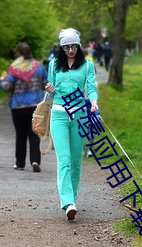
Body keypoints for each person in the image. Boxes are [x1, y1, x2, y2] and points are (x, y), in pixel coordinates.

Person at [45, 28, 98, 220]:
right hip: (58, 115)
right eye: (66, 47)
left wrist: (93, 101)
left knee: (76, 161)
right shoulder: (53, 65)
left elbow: (90, 87)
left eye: (74, 46)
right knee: (64, 160)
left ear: (79, 45)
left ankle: (72, 198)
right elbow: (51, 93)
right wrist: (50, 89)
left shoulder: (87, 65)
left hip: (80, 116)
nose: (70, 50)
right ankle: (67, 202)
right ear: (61, 47)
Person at [0, 42, 48, 172]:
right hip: (35, 106)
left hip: (18, 106)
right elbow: (46, 84)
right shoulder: (39, 67)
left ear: (18, 54)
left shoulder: (14, 68)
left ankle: (20, 163)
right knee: (34, 134)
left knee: (20, 135)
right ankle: (35, 160)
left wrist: (2, 80)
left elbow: (7, 87)